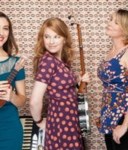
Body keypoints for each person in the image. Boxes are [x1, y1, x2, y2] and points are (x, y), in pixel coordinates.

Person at [30, 17, 90, 150]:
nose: (51, 41)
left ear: (64, 39)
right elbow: (34, 101)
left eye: (56, 37)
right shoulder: (48, 61)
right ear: (42, 39)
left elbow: (68, 94)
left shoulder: (62, 63)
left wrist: (80, 84)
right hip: (61, 122)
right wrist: (39, 121)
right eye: (47, 37)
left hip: (70, 120)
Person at [96, 9, 128, 150]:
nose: (109, 23)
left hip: (125, 119)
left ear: (126, 29)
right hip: (109, 117)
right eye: (110, 19)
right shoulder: (112, 52)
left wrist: (125, 125)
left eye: (116, 22)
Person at [0, 12, 26, 150]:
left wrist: (13, 97)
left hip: (9, 131)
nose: (1, 32)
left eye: (6, 28)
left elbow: (22, 101)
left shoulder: (16, 63)